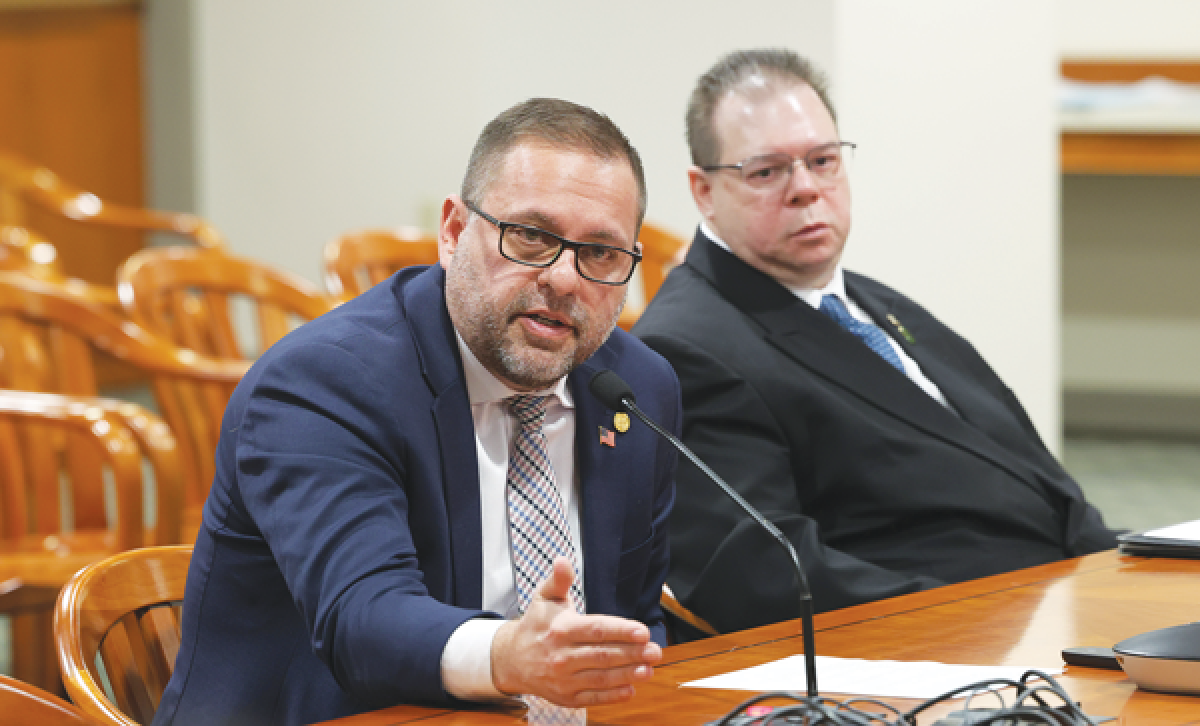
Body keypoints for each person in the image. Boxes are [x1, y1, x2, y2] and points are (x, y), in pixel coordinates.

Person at [154, 98, 680, 725]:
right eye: (532, 237)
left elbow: (636, 619)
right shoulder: (322, 383)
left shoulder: (634, 388)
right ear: (454, 233)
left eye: (601, 254)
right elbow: (363, 617)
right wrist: (508, 654)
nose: (566, 280)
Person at [633, 49, 1117, 639]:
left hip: (1071, 601)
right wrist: (989, 622)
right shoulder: (688, 346)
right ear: (704, 191)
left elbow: (1033, 475)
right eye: (766, 171)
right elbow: (758, 571)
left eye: (822, 160)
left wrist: (1117, 574)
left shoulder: (872, 301)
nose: (806, 189)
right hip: (949, 646)